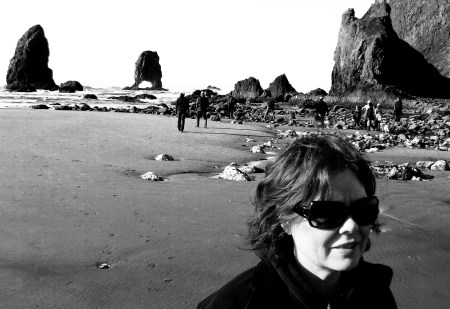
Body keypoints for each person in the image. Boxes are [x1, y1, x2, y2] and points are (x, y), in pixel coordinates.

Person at [197, 134, 397, 309]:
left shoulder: (375, 292)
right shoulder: (238, 304)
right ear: (284, 219)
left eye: (363, 209)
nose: (352, 226)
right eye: (327, 213)